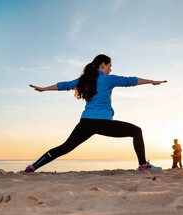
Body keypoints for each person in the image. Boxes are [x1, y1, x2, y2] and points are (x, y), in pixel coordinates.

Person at [25, 54, 167, 173]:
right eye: (110, 65)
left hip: (86, 123)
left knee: (65, 148)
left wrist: (44, 89)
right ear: (102, 65)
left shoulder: (85, 80)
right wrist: (151, 82)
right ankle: (143, 165)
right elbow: (131, 81)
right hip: (103, 123)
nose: (110, 69)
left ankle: (33, 167)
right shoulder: (108, 79)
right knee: (137, 131)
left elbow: (64, 85)